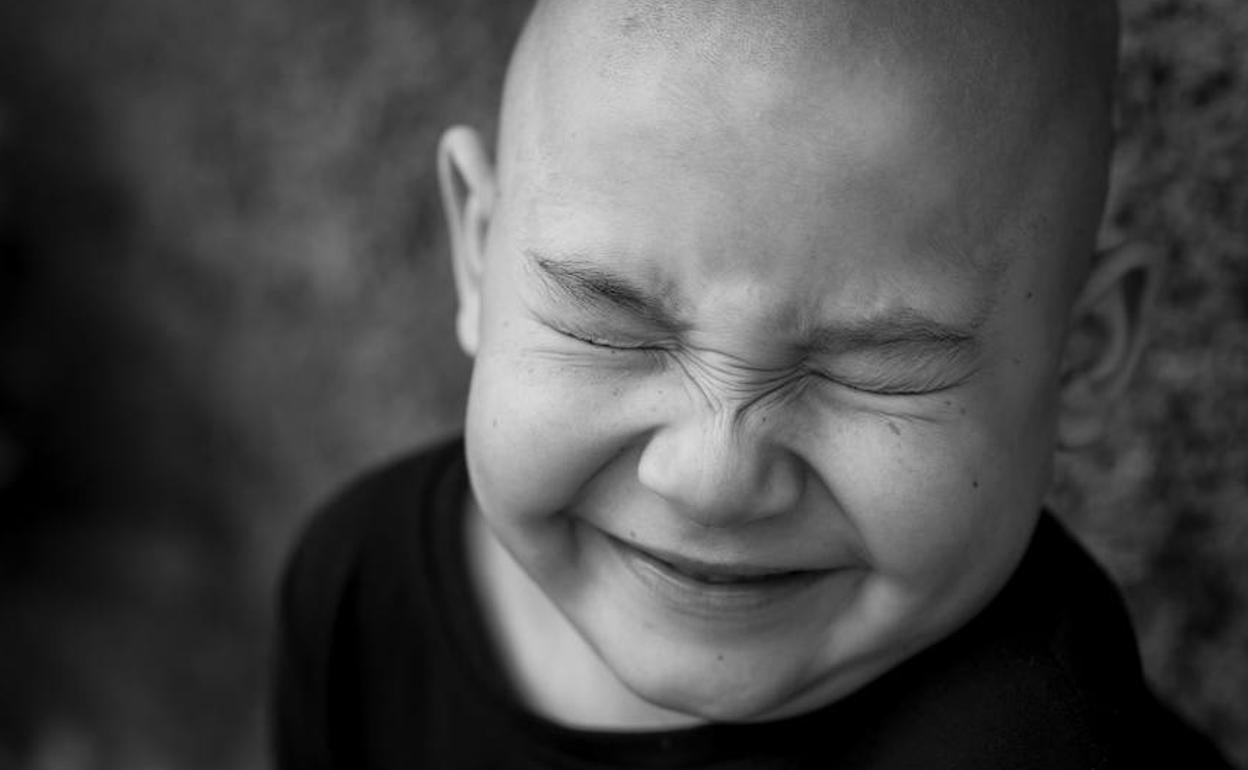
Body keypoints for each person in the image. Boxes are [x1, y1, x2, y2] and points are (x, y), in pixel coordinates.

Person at [272, 1, 1233, 767]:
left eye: (872, 369)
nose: (712, 477)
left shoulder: (1043, 749)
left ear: (1082, 350)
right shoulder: (362, 584)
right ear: (477, 251)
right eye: (608, 321)